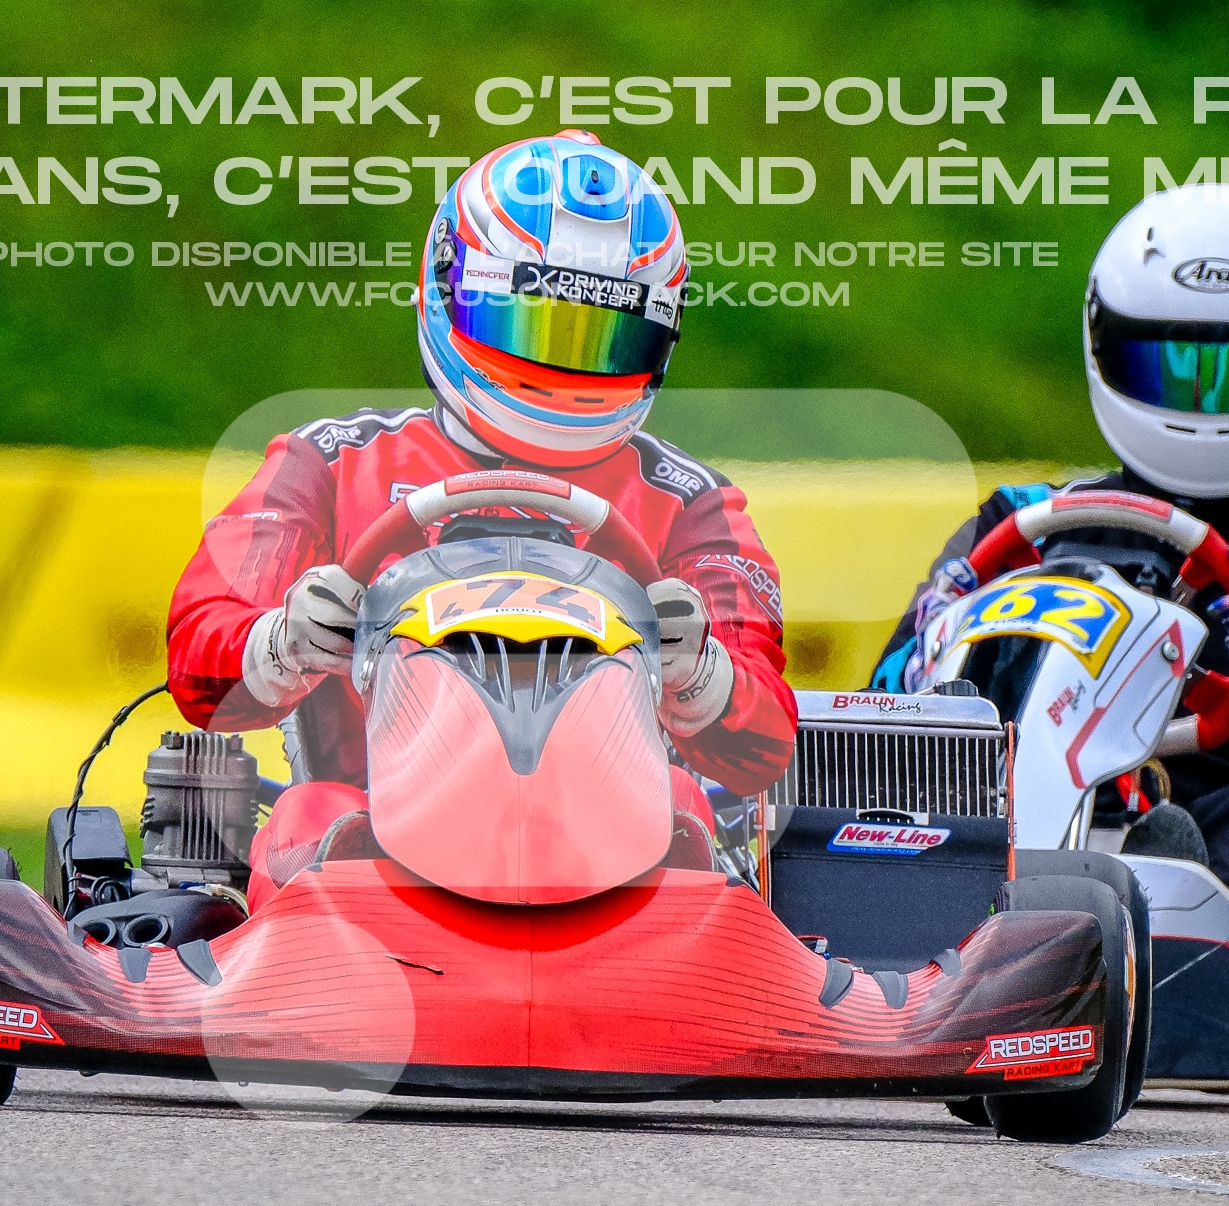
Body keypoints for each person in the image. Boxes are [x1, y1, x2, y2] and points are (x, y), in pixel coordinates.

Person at [166, 131, 797, 862]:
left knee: (687, 815)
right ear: (447, 286)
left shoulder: (688, 503)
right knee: (305, 816)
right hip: (367, 842)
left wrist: (701, 672)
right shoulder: (333, 463)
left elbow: (766, 744)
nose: (559, 365)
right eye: (529, 321)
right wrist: (284, 641)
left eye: (603, 338)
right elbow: (198, 656)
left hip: (614, 852)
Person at [869, 183, 1229, 948]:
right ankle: (925, 953)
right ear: (1109, 350)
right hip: (1031, 820)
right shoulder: (1024, 525)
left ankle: (1164, 959)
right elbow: (881, 721)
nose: (1204, 401)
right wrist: (935, 644)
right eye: (1171, 364)